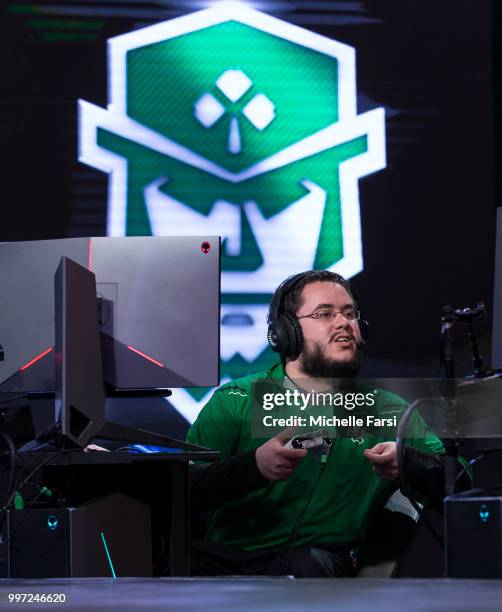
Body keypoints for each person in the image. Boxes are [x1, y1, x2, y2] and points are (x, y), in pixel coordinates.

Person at [187, 270, 450, 577]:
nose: (344, 323)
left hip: (316, 562)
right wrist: (253, 466)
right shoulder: (236, 400)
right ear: (287, 332)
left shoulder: (387, 411)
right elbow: (182, 486)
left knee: (307, 566)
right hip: (225, 558)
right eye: (325, 313)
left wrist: (410, 462)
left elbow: (460, 483)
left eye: (350, 314)